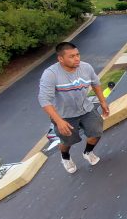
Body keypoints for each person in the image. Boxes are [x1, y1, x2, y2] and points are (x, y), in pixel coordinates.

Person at [38, 41, 110, 174]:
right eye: (71, 56)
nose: (77, 58)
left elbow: (96, 83)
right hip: (64, 115)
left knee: (96, 131)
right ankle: (65, 157)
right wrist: (59, 121)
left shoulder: (86, 67)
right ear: (61, 59)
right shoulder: (50, 74)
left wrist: (103, 102)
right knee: (67, 141)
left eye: (77, 54)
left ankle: (88, 152)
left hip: (86, 109)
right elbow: (44, 100)